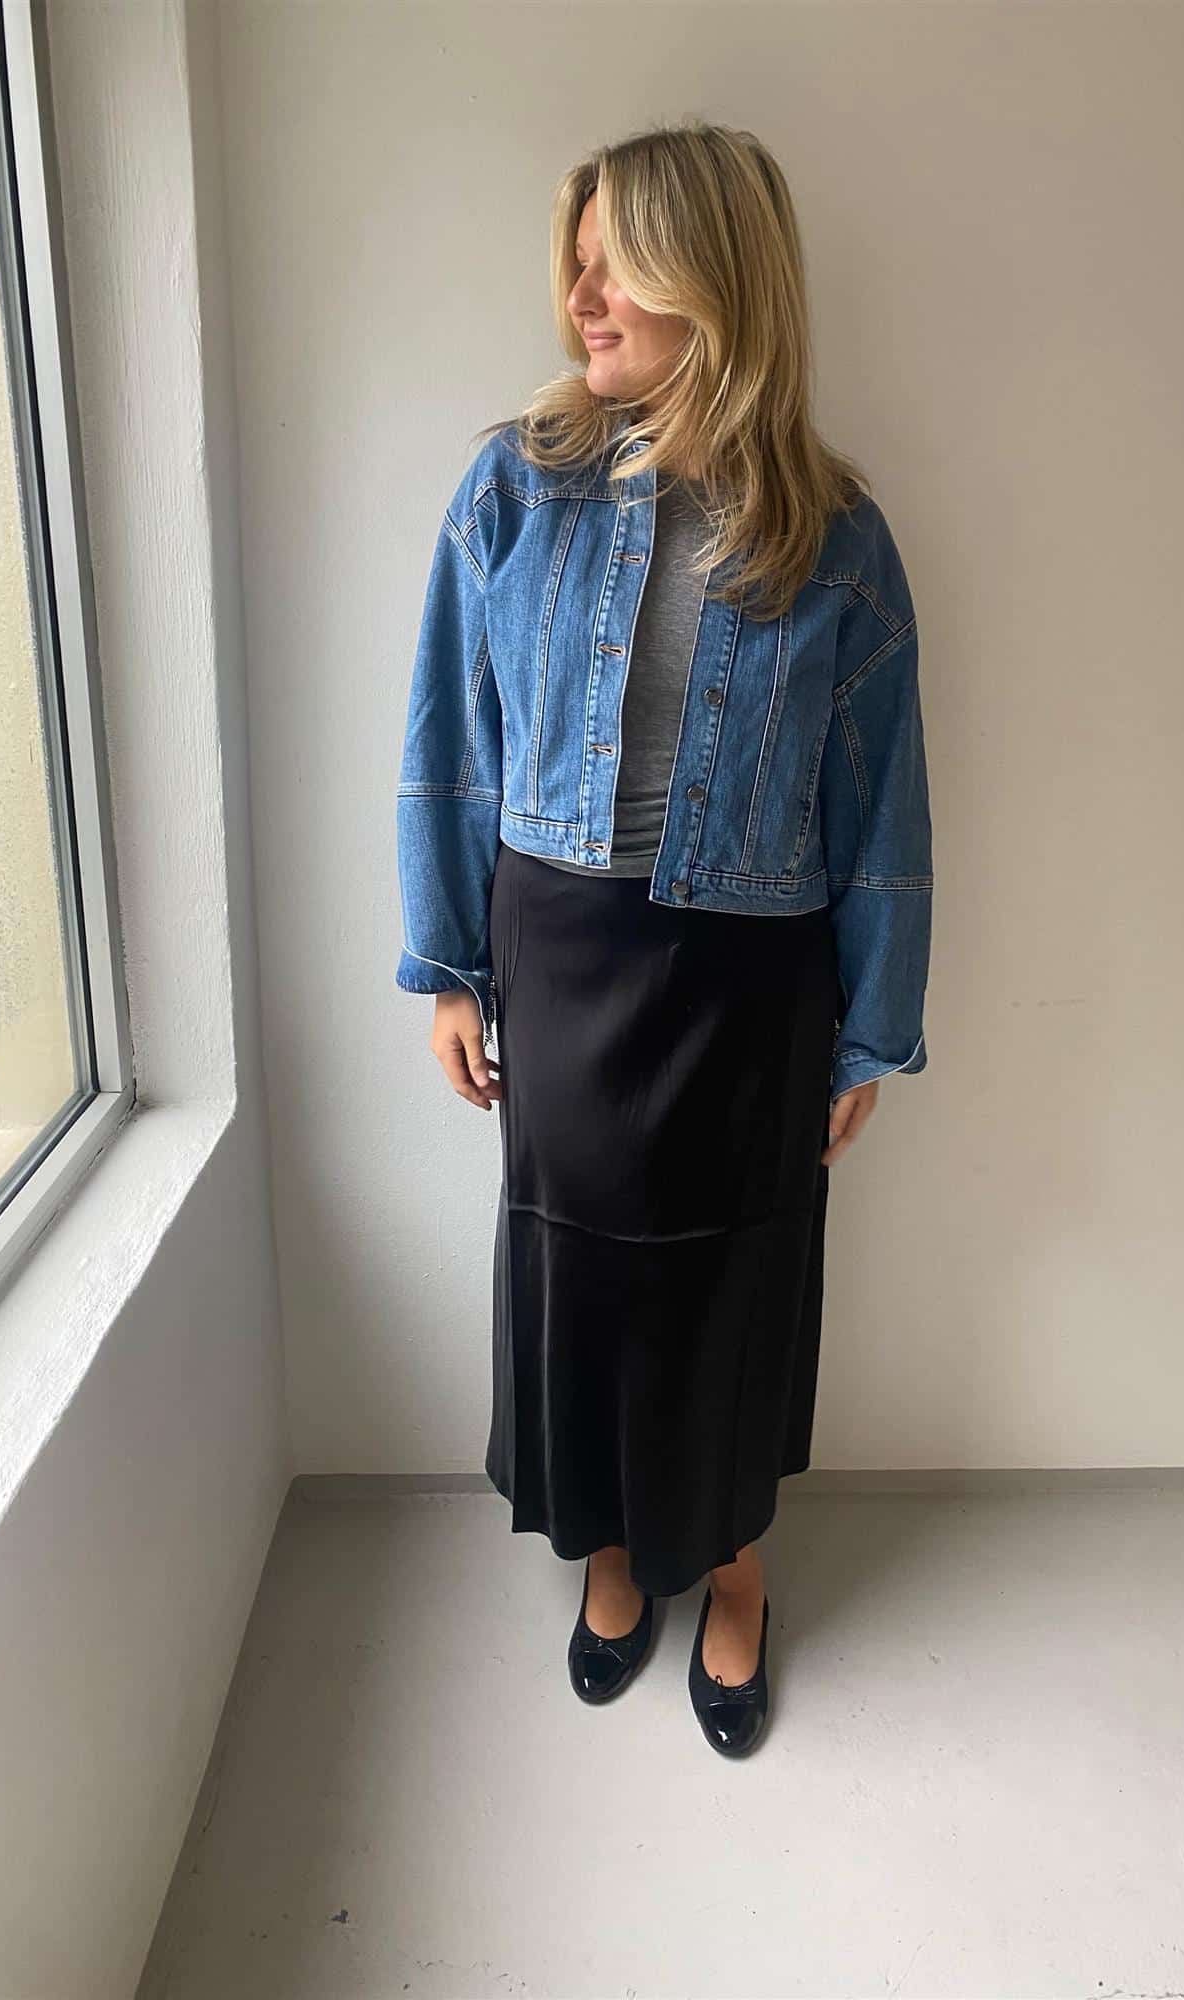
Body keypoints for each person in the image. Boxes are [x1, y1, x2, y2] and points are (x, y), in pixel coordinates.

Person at [394, 120, 933, 1758]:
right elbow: (450, 742)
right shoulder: (514, 486)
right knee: (575, 1266)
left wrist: (870, 1028)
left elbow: (881, 806)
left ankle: (738, 1565)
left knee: (739, 1270)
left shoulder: (834, 533)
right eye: (575, 263)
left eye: (615, 262)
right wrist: (446, 964)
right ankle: (614, 1554)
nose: (581, 296)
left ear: (718, 274)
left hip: (752, 974)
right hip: (558, 952)